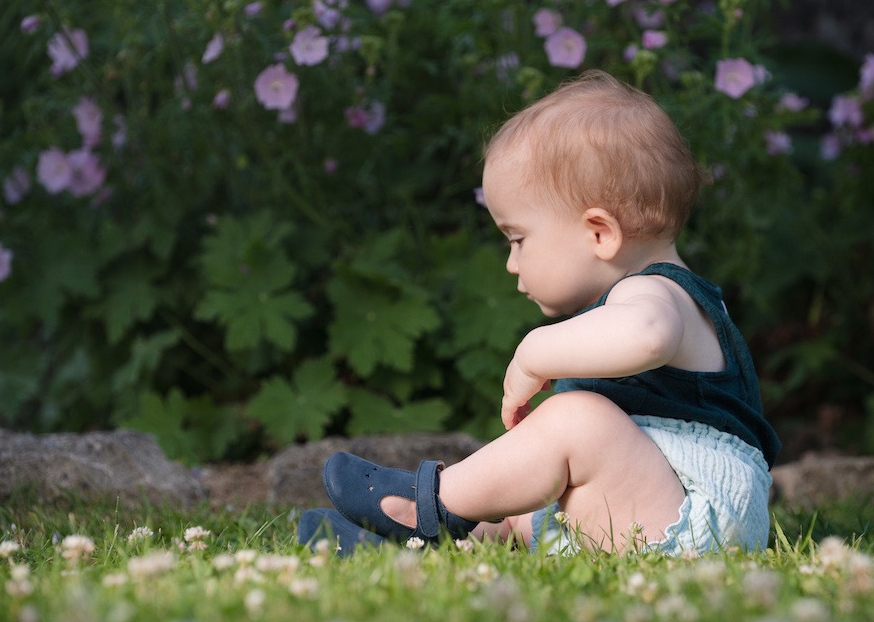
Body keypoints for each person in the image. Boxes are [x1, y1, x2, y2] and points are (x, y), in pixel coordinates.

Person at [299, 69, 780, 557]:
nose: (511, 263)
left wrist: (535, 352)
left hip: (701, 517)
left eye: (518, 239)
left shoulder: (658, 294)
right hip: (648, 499)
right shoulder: (632, 301)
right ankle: (423, 543)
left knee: (575, 420)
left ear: (599, 233)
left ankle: (425, 506)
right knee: (529, 475)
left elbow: (649, 335)